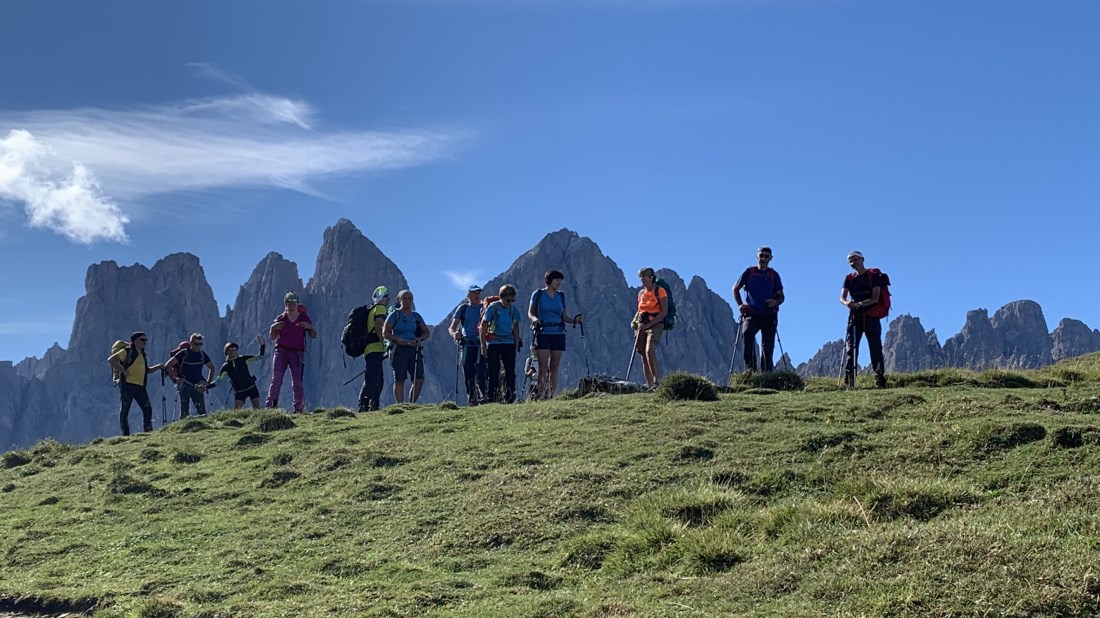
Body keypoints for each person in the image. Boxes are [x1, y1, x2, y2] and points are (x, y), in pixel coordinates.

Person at [528, 270, 583, 399]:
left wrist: (575, 321)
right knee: (542, 367)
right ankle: (541, 395)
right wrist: (535, 319)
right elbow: (530, 312)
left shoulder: (561, 296)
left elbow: (564, 317)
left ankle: (551, 395)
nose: (559, 282)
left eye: (560, 280)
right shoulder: (538, 294)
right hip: (543, 332)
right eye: (557, 280)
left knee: (554, 367)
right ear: (549, 280)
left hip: (558, 333)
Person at [732, 246, 785, 373]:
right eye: (761, 255)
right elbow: (735, 288)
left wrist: (775, 302)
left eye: (766, 256)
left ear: (770, 258)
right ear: (757, 256)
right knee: (747, 335)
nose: (763, 258)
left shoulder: (774, 275)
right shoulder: (749, 272)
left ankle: (767, 374)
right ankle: (750, 371)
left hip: (769, 314)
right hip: (751, 313)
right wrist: (740, 305)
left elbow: (781, 296)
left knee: (767, 346)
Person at [840, 250, 887, 388]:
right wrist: (846, 302)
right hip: (855, 317)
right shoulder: (849, 278)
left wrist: (859, 304)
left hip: (871, 316)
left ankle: (879, 378)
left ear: (862, 259)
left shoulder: (873, 276)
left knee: (875, 347)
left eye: (856, 259)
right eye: (851, 260)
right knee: (851, 348)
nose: (854, 262)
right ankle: (850, 380)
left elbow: (875, 298)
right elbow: (842, 297)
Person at [265, 292, 317, 412]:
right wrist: (272, 328)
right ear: (286, 305)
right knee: (276, 379)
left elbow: (313, 335)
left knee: (297, 382)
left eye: (294, 303)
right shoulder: (280, 319)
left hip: (297, 353)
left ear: (297, 304)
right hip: (281, 352)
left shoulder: (304, 318)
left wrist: (310, 327)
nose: (292, 305)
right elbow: (273, 336)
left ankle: (298, 408)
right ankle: (270, 406)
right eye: (289, 303)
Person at [107, 331, 164, 435]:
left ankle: (148, 432)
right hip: (127, 384)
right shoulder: (127, 351)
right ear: (134, 341)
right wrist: (122, 370)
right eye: (142, 340)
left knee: (147, 408)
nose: (145, 342)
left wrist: (157, 367)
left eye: (145, 340)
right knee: (125, 410)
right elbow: (111, 360)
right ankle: (126, 435)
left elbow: (146, 370)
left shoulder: (142, 354)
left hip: (140, 386)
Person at [383, 289, 430, 404]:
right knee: (399, 379)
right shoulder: (394, 315)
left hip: (414, 348)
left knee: (419, 378)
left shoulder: (416, 316)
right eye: (404, 298)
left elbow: (426, 332)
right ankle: (400, 405)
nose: (407, 301)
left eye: (410, 298)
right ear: (399, 300)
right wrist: (397, 340)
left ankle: (411, 403)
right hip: (399, 349)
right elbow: (386, 332)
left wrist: (420, 339)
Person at [480, 284, 522, 403]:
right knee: (493, 370)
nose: (510, 303)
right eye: (508, 300)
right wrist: (483, 345)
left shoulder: (513, 310)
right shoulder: (493, 308)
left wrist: (516, 342)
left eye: (512, 300)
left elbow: (516, 326)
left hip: (508, 342)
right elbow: (483, 326)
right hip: (494, 342)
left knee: (510, 370)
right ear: (501, 297)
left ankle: (510, 396)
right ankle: (492, 397)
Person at [448, 285, 487, 406]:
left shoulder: (484, 308)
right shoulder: (463, 308)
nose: (477, 295)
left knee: (482, 372)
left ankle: (483, 398)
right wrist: (455, 334)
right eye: (474, 293)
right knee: (468, 373)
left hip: (481, 344)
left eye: (478, 293)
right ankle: (472, 398)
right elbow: (452, 327)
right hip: (467, 345)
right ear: (469, 295)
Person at [165, 333, 218, 418]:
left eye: (200, 344)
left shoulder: (202, 354)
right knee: (184, 412)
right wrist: (174, 379)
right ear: (191, 343)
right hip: (185, 385)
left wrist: (208, 383)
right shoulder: (183, 353)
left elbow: (212, 368)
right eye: (196, 344)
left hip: (198, 385)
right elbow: (168, 365)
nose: (198, 346)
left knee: (202, 412)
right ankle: (184, 428)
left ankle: (202, 428)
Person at [632, 268, 668, 389]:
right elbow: (639, 311)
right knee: (642, 353)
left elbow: (664, 312)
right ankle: (649, 384)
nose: (642, 279)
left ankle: (657, 382)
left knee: (649, 350)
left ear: (651, 277)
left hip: (656, 324)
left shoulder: (660, 291)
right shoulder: (641, 294)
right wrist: (637, 325)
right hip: (642, 325)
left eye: (644, 277)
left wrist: (650, 323)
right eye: (641, 277)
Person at [358, 286, 391, 412]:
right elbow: (379, 325)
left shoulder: (372, 309)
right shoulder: (381, 308)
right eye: (387, 297)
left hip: (368, 349)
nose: (388, 300)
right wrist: (385, 342)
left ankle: (370, 404)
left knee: (375, 377)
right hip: (375, 348)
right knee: (374, 379)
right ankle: (366, 405)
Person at [217, 336, 266, 409]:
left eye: (235, 349)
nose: (235, 351)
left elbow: (260, 356)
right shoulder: (225, 367)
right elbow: (218, 381)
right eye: (232, 349)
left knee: (257, 409)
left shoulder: (243, 359)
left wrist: (262, 345)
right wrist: (206, 386)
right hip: (239, 391)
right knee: (237, 413)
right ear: (227, 352)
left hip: (251, 387)